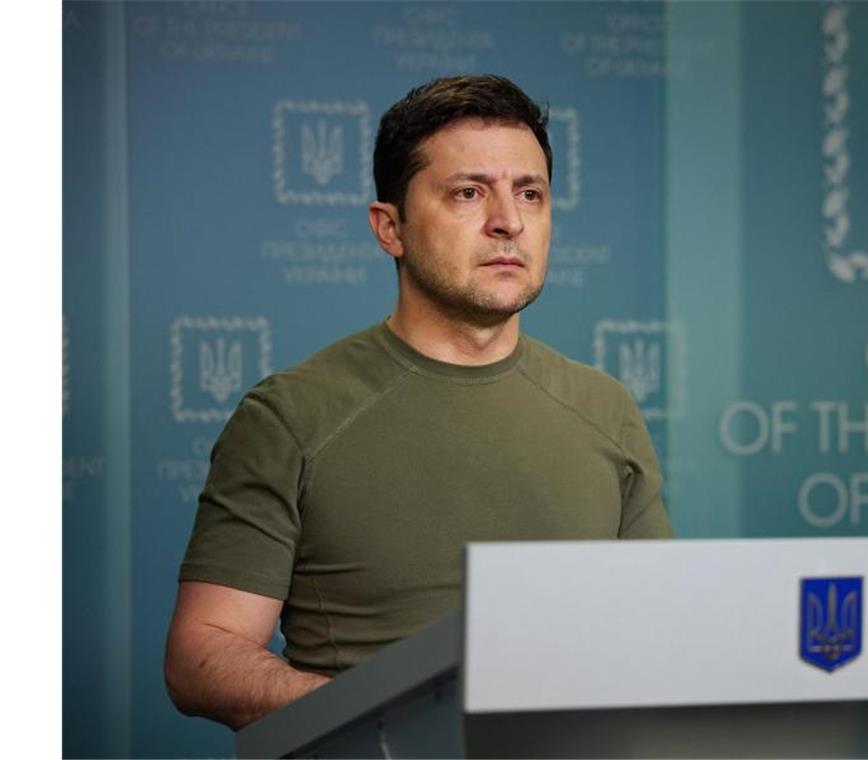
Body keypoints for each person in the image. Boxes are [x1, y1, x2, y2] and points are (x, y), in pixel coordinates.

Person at [164, 74, 673, 730]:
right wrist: (389, 723)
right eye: (468, 193)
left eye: (530, 193)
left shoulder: (607, 409)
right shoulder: (290, 418)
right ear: (390, 228)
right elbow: (202, 654)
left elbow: (660, 634)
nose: (509, 221)